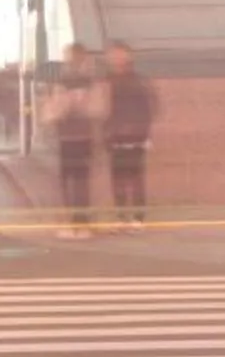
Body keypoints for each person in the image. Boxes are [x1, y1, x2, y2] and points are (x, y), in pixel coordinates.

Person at [43, 45, 104, 240]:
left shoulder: (90, 81)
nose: (73, 62)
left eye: (75, 58)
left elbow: (98, 109)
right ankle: (73, 222)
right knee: (68, 180)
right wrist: (65, 104)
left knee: (79, 181)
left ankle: (81, 222)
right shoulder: (63, 81)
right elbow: (51, 110)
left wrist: (78, 104)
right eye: (70, 58)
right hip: (66, 137)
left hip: (81, 137)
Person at [101, 43, 157, 229]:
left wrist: (144, 131)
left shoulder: (138, 81)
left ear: (128, 57)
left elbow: (150, 108)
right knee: (117, 177)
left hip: (135, 136)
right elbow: (103, 110)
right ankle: (122, 217)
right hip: (115, 137)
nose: (115, 59)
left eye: (118, 55)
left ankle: (138, 218)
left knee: (135, 177)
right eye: (112, 56)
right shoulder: (107, 81)